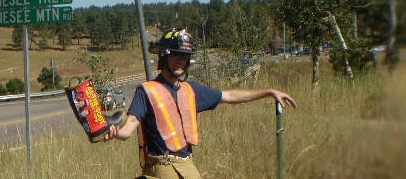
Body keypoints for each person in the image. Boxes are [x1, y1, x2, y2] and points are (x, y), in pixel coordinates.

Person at [104, 28, 298, 178]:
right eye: (176, 55)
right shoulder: (146, 91)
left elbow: (229, 96)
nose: (181, 60)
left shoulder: (192, 90)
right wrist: (113, 132)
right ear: (164, 56)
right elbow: (128, 129)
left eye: (185, 56)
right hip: (161, 169)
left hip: (188, 166)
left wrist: (267, 92)